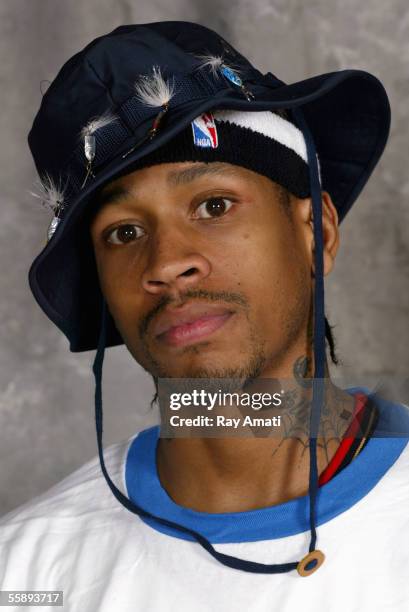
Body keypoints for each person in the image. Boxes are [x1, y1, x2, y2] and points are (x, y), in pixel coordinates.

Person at [1, 20, 408, 611]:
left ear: (314, 232)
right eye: (124, 232)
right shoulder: (27, 572)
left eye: (213, 205)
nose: (167, 263)